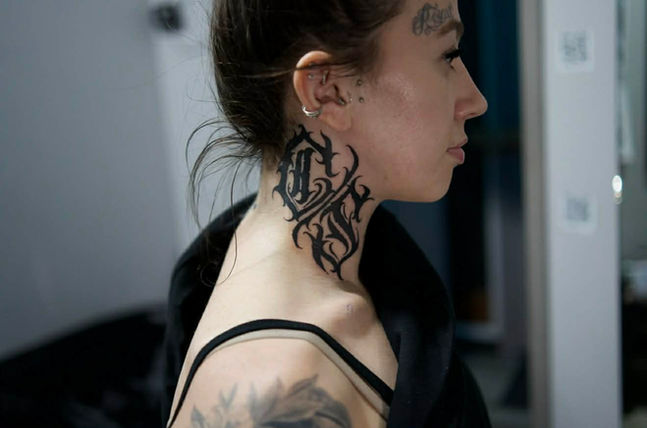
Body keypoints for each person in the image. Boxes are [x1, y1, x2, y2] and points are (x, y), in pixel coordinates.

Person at [162, 0, 489, 427]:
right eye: (447, 55)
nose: (475, 101)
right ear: (326, 90)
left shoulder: (355, 254)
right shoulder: (276, 393)